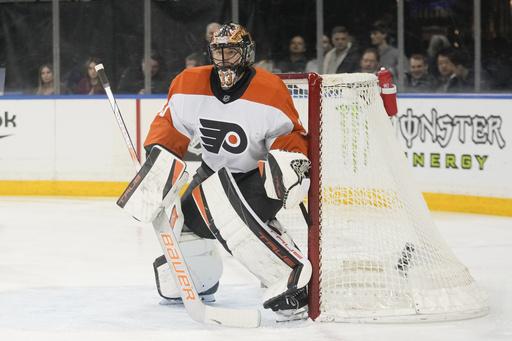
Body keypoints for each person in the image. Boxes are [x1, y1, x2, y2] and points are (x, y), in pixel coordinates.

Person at [120, 23, 312, 321]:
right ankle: (202, 281)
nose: (224, 59)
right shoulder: (188, 83)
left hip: (256, 178)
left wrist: (290, 164)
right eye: (218, 52)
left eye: (231, 52)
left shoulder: (269, 88)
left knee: (231, 221)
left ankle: (293, 279)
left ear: (246, 54)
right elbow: (169, 125)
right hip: (211, 173)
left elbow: (289, 136)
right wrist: (157, 167)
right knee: (182, 224)